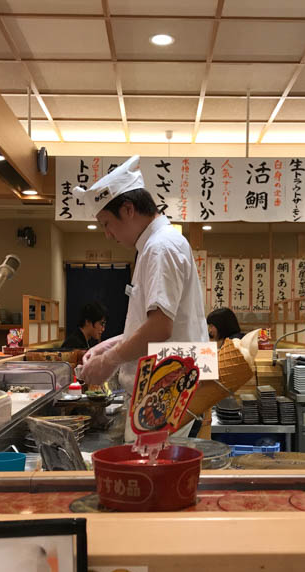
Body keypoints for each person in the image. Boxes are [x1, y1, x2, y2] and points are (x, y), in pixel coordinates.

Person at [75, 156, 208, 438]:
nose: (108, 235)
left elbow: (161, 327)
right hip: (166, 387)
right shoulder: (155, 246)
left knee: (153, 477)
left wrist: (109, 360)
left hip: (166, 390)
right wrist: (109, 346)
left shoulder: (161, 247)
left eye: (106, 223)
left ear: (129, 209)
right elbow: (152, 325)